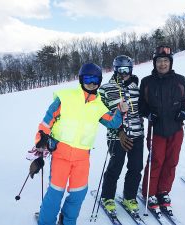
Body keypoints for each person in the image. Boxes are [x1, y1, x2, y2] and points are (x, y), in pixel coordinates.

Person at [29, 63, 128, 225]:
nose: (92, 83)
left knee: (78, 193)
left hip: (82, 158)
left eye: (96, 79)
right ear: (81, 79)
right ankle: (45, 221)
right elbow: (46, 123)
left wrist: (121, 111)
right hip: (60, 154)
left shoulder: (99, 105)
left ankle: (67, 221)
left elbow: (113, 123)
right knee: (55, 193)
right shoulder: (66, 97)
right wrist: (40, 146)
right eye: (88, 78)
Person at [139, 46, 185, 210]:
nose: (162, 64)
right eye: (159, 61)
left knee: (171, 161)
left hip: (176, 128)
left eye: (165, 61)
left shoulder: (180, 80)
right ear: (155, 63)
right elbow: (141, 105)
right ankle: (150, 192)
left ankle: (163, 190)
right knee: (156, 160)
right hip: (157, 129)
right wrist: (148, 114)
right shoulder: (147, 81)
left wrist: (184, 111)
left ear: (170, 62)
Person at [99, 55, 144, 214]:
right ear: (115, 70)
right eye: (120, 69)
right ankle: (107, 196)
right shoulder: (105, 89)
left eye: (127, 70)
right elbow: (101, 115)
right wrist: (119, 132)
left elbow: (143, 109)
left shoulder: (136, 89)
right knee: (115, 167)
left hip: (137, 134)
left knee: (136, 167)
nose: (123, 73)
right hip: (117, 137)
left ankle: (129, 196)